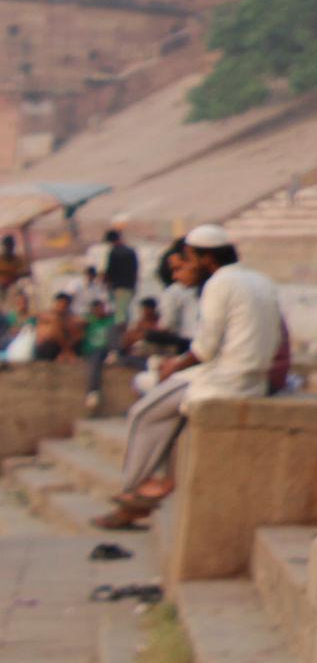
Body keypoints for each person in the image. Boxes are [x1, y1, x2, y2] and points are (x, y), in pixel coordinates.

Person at [95, 225, 285, 530]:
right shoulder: (260, 280)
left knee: (143, 414)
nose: (188, 265)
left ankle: (130, 492)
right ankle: (150, 485)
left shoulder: (220, 284)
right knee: (164, 406)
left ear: (206, 258)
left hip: (226, 379)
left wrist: (176, 366)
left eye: (190, 258)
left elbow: (206, 348)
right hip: (253, 377)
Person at [102, 226, 140, 316]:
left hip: (119, 287)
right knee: (126, 311)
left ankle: (122, 329)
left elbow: (110, 271)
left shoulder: (114, 252)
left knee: (120, 314)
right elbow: (135, 270)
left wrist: (106, 282)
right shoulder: (131, 251)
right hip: (130, 286)